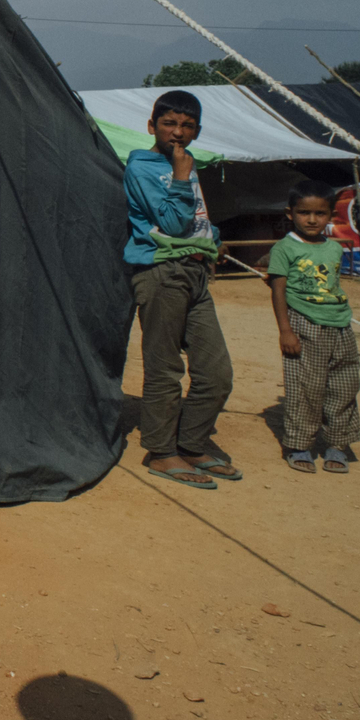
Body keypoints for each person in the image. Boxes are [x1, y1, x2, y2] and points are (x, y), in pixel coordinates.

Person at [123, 90, 238, 490]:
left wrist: (212, 240)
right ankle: (161, 450)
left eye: (187, 126)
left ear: (198, 130)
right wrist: (182, 176)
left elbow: (195, 221)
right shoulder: (144, 167)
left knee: (216, 373)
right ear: (151, 126)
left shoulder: (184, 164)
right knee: (165, 368)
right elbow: (170, 225)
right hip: (160, 273)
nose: (178, 132)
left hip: (194, 272)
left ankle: (190, 442)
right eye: (169, 123)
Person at [267, 181, 360, 474]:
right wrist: (285, 331)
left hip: (340, 325)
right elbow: (278, 290)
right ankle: (299, 444)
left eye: (319, 214)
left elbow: (330, 285)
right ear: (290, 213)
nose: (311, 219)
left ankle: (336, 443)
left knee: (344, 386)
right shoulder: (284, 248)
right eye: (304, 212)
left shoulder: (333, 248)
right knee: (306, 388)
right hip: (303, 324)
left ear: (331, 215)